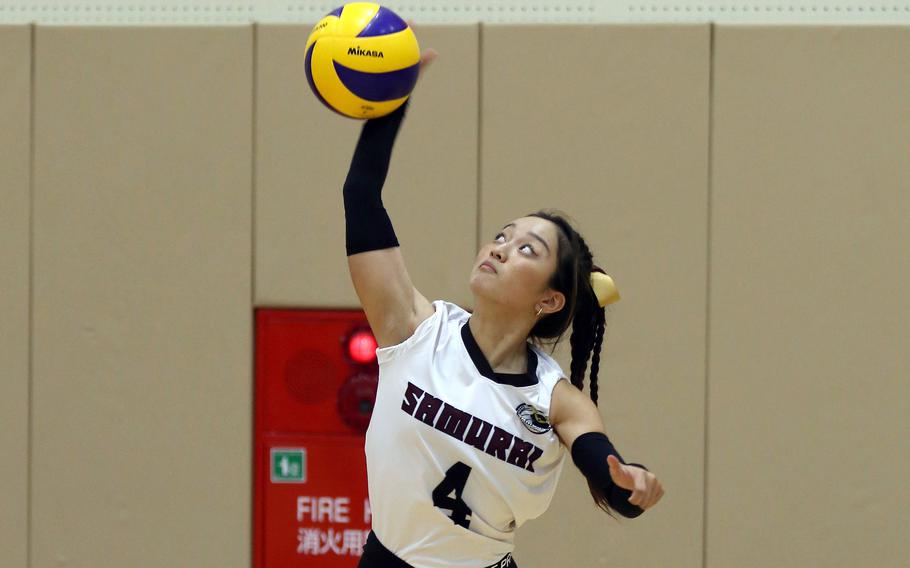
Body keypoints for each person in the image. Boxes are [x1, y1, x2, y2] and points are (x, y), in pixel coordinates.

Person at [343, 47, 664, 568]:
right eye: (502, 236)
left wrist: (631, 483)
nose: (499, 248)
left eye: (526, 250)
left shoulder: (557, 400)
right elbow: (361, 195)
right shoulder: (415, 332)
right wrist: (390, 99)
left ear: (549, 299)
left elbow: (606, 474)